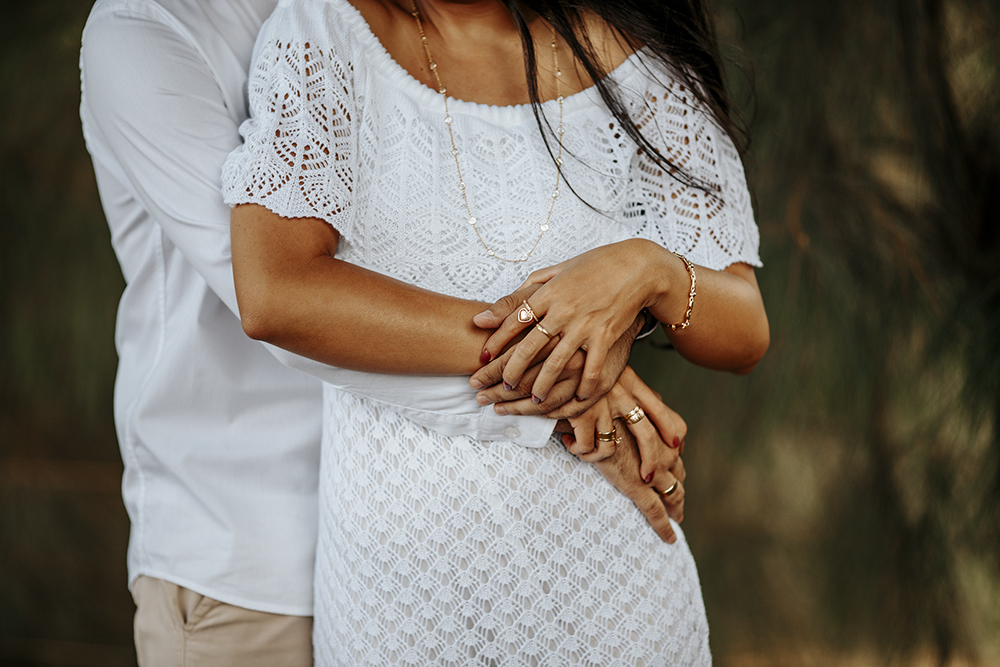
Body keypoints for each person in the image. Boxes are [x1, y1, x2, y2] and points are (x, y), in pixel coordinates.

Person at [80, 0, 688, 663]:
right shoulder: (141, 34)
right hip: (248, 563)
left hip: (428, 563)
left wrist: (599, 314)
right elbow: (282, 302)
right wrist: (565, 376)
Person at [223, 0, 768, 664]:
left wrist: (649, 270)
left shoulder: (637, 60)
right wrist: (553, 354)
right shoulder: (326, 34)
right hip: (398, 605)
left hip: (617, 597)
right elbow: (277, 293)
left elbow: (744, 329)